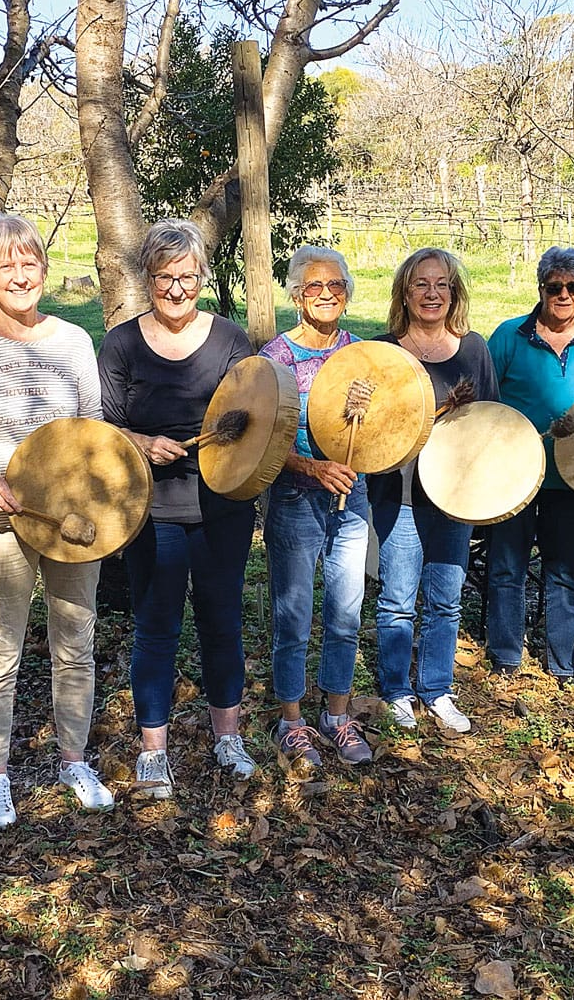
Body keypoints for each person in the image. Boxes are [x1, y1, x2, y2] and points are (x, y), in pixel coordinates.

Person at [0, 214, 110, 828]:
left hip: (68, 518)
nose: (19, 275)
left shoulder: (73, 342)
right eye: (5, 264)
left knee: (75, 643)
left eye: (29, 263)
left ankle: (74, 760)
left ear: (45, 271)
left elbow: (93, 434)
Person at [99, 219, 258, 796]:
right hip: (151, 507)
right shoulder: (120, 343)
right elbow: (104, 427)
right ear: (147, 277)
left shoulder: (229, 340)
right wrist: (141, 443)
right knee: (156, 625)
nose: (176, 290)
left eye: (187, 278)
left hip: (222, 505)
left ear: (202, 277)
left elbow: (255, 415)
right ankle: (153, 750)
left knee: (221, 620)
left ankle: (228, 735)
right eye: (164, 277)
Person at [373, 248, 499, 733]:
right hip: (400, 494)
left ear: (454, 293)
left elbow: (490, 422)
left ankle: (437, 689)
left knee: (445, 599)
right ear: (405, 293)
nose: (431, 293)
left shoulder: (473, 349)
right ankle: (396, 690)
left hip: (455, 495)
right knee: (398, 600)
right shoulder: (385, 351)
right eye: (420, 284)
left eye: (441, 284)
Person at [258, 245, 373, 768]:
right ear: (296, 295)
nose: (325, 295)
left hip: (351, 495)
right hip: (295, 496)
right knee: (294, 614)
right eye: (313, 286)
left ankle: (337, 714)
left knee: (346, 611)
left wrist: (372, 416)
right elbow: (260, 442)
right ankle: (291, 720)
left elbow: (385, 429)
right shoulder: (274, 359)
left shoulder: (364, 358)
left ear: (346, 296)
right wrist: (311, 468)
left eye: (336, 287)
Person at [486, 247, 574, 683]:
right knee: (507, 566)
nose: (564, 295)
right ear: (541, 288)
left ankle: (562, 661)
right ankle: (506, 655)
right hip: (513, 472)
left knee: (565, 569)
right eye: (554, 287)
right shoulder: (509, 336)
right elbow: (486, 404)